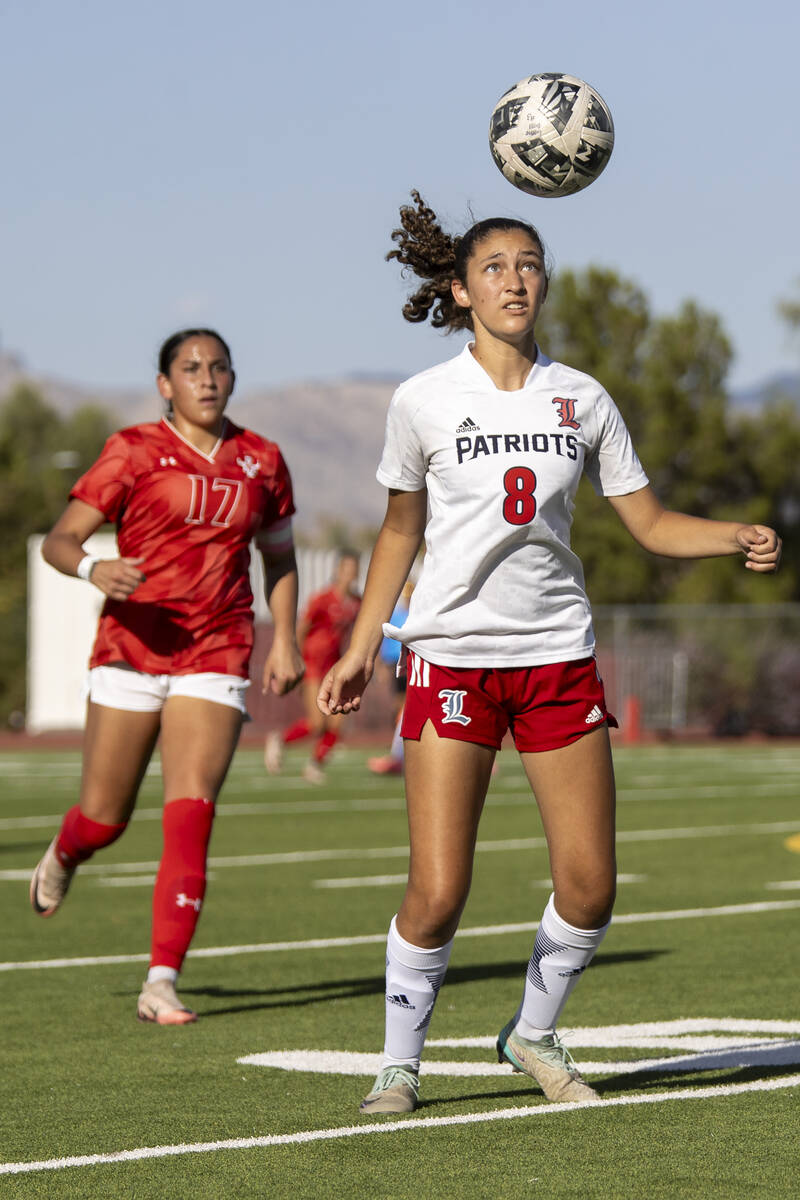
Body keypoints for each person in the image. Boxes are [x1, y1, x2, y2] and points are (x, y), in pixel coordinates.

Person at [318, 192, 782, 1114]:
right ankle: (398, 1065)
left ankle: (530, 1032)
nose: (515, 280)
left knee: (589, 884)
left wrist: (734, 532)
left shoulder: (583, 397)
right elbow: (397, 533)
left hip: (558, 658)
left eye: (529, 264)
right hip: (451, 659)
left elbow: (647, 523)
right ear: (459, 290)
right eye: (494, 267)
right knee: (440, 889)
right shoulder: (422, 400)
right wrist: (363, 644)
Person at [29, 329, 304, 1025]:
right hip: (132, 648)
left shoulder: (263, 460)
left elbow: (279, 558)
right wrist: (94, 566)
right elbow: (60, 540)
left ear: (233, 378)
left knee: (190, 815)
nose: (206, 380)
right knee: (104, 818)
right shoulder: (131, 450)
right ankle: (67, 850)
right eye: (190, 369)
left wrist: (286, 641)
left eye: (218, 368)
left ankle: (161, 981)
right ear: (164, 385)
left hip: (217, 650)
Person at [264, 550, 360, 784]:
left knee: (337, 721)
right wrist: (292, 655)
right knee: (318, 723)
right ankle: (279, 740)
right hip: (313, 664)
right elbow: (303, 627)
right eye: (346, 569)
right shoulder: (322, 598)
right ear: (337, 571)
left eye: (354, 569)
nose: (350, 574)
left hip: (334, 665)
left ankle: (314, 765)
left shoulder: (357, 602)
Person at [367, 579, 413, 776]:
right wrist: (381, 664)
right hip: (398, 664)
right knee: (401, 709)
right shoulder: (397, 615)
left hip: (414, 663)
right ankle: (400, 752)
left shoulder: (417, 612)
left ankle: (399, 755)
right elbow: (387, 641)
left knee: (407, 708)